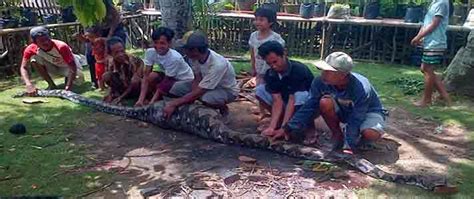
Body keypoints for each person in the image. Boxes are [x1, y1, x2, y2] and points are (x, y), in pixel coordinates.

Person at [268, 52, 386, 154]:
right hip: (345, 109)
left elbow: (357, 117)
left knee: (370, 133)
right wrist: (287, 128)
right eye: (323, 70)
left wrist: (348, 145)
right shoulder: (320, 82)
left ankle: (358, 139)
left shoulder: (361, 87)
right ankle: (337, 136)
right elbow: (309, 106)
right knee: (324, 102)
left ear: (343, 74)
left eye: (328, 71)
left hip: (368, 112)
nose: (323, 74)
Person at [162, 31, 239, 122]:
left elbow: (202, 90)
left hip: (225, 90)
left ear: (195, 50)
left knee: (206, 98)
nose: (184, 51)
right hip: (205, 85)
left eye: (186, 48)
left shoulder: (218, 64)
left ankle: (223, 108)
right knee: (175, 88)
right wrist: (191, 98)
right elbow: (197, 78)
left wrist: (174, 103)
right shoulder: (194, 58)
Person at [255, 41, 314, 143]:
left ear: (284, 54)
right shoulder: (270, 74)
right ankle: (279, 123)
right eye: (269, 63)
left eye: (275, 62)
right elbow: (277, 101)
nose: (273, 66)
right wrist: (272, 127)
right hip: (285, 102)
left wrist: (284, 128)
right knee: (260, 90)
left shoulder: (298, 70)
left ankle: (309, 128)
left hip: (306, 106)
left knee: (300, 95)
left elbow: (292, 99)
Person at [135, 27, 194, 107]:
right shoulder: (150, 52)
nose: (158, 46)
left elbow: (166, 82)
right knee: (152, 76)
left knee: (167, 87)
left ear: (169, 43)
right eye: (156, 42)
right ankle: (148, 99)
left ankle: (157, 100)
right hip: (169, 77)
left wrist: (151, 103)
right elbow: (146, 76)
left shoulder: (174, 58)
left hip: (184, 80)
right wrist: (140, 100)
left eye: (162, 43)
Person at [411, 0, 452, 107]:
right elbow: (426, 23)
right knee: (425, 69)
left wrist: (419, 37)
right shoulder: (434, 2)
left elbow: (434, 24)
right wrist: (420, 36)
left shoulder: (442, 3)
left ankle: (426, 100)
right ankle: (445, 97)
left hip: (436, 42)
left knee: (427, 69)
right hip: (430, 41)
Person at [20, 26, 84, 95]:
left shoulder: (61, 46)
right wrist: (28, 84)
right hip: (53, 67)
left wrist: (68, 88)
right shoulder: (31, 49)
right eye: (41, 41)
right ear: (35, 42)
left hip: (70, 67)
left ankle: (68, 80)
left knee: (77, 80)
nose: (46, 42)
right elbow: (23, 67)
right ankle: (51, 85)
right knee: (34, 59)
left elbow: (72, 67)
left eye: (47, 39)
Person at [249, 7, 285, 85]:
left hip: (272, 72)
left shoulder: (276, 38)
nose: (258, 22)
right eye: (256, 19)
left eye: (261, 20)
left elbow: (282, 56)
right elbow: (252, 53)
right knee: (259, 91)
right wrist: (253, 68)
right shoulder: (253, 36)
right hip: (259, 70)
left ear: (270, 22)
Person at [102, 37, 144, 104]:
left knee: (135, 81)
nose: (120, 54)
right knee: (106, 76)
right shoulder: (111, 63)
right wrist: (110, 94)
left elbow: (133, 83)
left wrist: (121, 97)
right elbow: (111, 82)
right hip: (124, 87)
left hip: (136, 89)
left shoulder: (134, 61)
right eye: (116, 53)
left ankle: (138, 98)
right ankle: (116, 95)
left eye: (122, 51)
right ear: (111, 54)